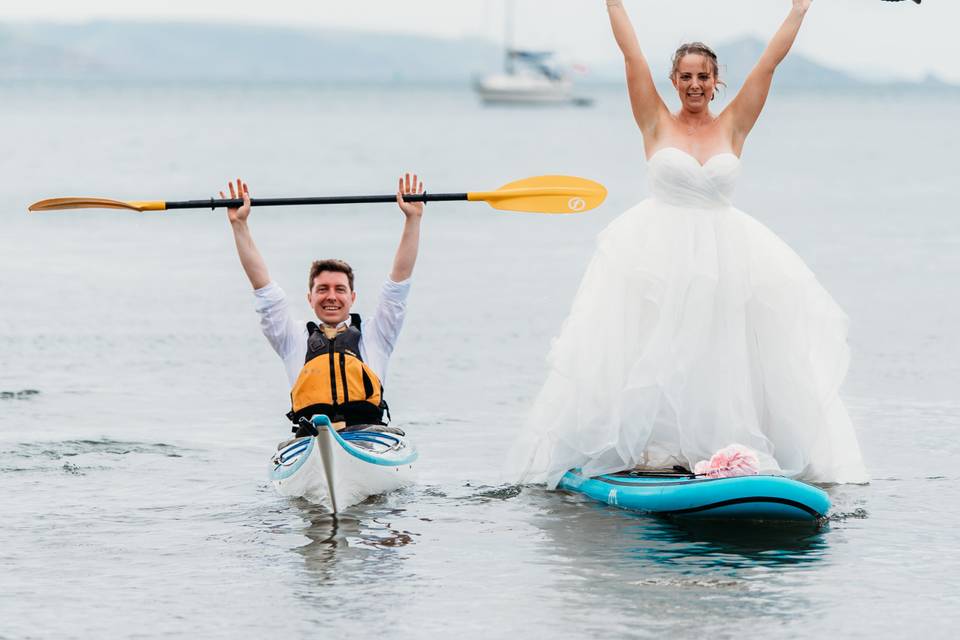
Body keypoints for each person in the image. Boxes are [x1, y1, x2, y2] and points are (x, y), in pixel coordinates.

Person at [507, 0, 868, 487]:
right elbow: (631, 54)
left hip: (727, 259)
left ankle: (726, 452)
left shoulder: (735, 122)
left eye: (704, 77)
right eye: (686, 76)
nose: (695, 85)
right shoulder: (654, 120)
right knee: (656, 352)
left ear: (716, 82)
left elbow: (770, 61)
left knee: (721, 355)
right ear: (674, 80)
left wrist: (800, 9)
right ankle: (656, 452)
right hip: (656, 259)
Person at [223, 173, 425, 434]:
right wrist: (239, 225)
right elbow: (264, 290)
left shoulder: (377, 335)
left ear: (352, 297)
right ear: (310, 298)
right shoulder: (291, 338)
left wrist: (413, 219)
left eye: (340, 289)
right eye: (322, 290)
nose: (331, 296)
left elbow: (397, 286)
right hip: (312, 439)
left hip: (369, 437)